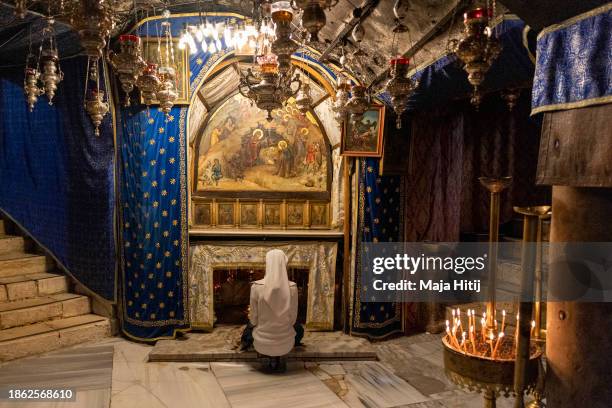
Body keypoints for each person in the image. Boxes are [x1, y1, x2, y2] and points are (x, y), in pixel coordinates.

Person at [240, 249, 304, 372]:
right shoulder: (293, 287)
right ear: (283, 264)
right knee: (299, 329)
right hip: (286, 341)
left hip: (262, 341)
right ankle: (279, 357)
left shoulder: (256, 287)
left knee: (248, 329)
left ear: (268, 264)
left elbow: (253, 319)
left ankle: (268, 356)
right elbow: (293, 319)